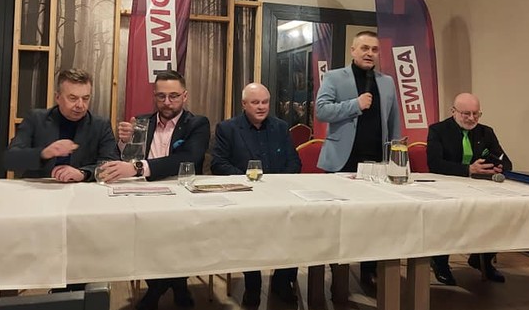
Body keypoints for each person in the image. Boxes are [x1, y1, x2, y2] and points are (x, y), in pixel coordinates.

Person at [98, 70, 210, 310]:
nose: (167, 102)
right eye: (161, 96)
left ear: (185, 96)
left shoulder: (197, 124)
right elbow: (125, 159)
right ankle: (178, 286)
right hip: (145, 195)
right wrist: (124, 142)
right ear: (154, 96)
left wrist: (138, 167)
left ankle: (157, 290)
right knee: (141, 236)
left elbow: (188, 158)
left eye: (173, 96)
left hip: (182, 196)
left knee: (177, 237)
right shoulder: (141, 122)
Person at [314, 30, 401, 288]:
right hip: (342, 160)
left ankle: (369, 272)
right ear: (353, 51)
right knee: (338, 222)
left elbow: (394, 121)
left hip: (376, 163)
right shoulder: (334, 77)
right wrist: (355, 104)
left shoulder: (387, 82)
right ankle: (338, 276)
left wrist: (395, 157)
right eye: (364, 48)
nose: (369, 53)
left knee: (374, 221)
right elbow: (321, 111)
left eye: (374, 49)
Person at [210, 83, 301, 307]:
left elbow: (294, 162)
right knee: (250, 237)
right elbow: (218, 164)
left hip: (280, 196)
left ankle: (282, 282)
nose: (261, 107)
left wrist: (276, 184)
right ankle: (252, 285)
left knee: (294, 227)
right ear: (244, 104)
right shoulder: (228, 128)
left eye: (265, 102)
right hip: (245, 197)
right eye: (255, 102)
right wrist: (248, 181)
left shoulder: (280, 127)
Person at [426, 92, 513, 285]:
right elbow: (435, 164)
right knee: (448, 215)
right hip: (447, 187)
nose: (472, 118)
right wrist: (468, 169)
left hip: (480, 189)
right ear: (453, 111)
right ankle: (440, 262)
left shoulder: (486, 132)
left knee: (501, 211)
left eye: (476, 114)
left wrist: (498, 167)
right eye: (466, 113)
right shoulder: (438, 130)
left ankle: (482, 259)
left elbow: (506, 162)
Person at [5, 68, 119, 182]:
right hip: (39, 188)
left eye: (85, 98)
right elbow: (11, 160)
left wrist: (83, 173)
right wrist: (44, 153)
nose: (80, 105)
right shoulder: (36, 119)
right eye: (73, 98)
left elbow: (111, 165)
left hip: (81, 189)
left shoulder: (101, 125)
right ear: (57, 97)